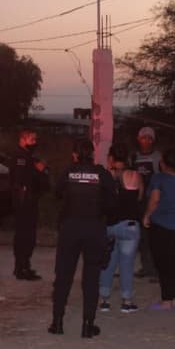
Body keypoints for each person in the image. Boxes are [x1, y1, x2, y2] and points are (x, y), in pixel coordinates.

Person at [49, 138, 116, 338]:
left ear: (76, 154)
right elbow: (113, 203)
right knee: (91, 278)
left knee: (63, 276)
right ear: (92, 154)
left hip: (70, 227)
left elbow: (57, 194)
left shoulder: (68, 172)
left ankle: (57, 322)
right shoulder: (102, 174)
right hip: (94, 227)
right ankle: (88, 325)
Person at [142, 148, 175, 311]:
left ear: (162, 163)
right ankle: (172, 297)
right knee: (171, 260)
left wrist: (147, 215)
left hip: (160, 224)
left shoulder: (159, 178)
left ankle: (166, 299)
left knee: (162, 261)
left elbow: (154, 199)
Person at [98, 143, 143, 313]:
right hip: (130, 226)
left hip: (110, 225)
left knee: (108, 264)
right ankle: (126, 301)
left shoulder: (106, 176)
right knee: (127, 264)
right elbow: (138, 198)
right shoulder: (135, 175)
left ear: (111, 158)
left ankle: (104, 300)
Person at [10, 127, 49, 280]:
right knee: (23, 236)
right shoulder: (19, 157)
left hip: (31, 200)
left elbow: (42, 176)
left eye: (35, 140)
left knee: (29, 236)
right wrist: (38, 171)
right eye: (32, 140)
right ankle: (21, 267)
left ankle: (25, 265)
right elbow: (21, 180)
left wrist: (42, 171)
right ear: (23, 140)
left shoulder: (30, 157)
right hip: (23, 201)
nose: (35, 142)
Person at [132, 127, 162, 281]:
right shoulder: (134, 157)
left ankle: (156, 269)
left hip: (153, 200)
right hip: (138, 201)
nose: (146, 140)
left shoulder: (157, 157)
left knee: (154, 236)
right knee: (141, 236)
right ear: (139, 139)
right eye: (143, 137)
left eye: (149, 138)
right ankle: (146, 266)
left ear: (153, 140)